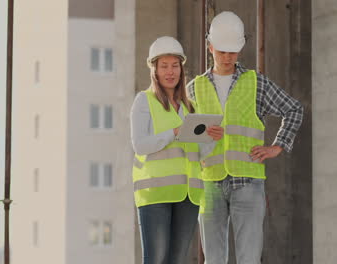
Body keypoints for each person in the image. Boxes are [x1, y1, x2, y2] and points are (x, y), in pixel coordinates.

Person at [187, 11, 304, 264]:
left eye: (233, 51)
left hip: (248, 181)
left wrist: (278, 146)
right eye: (222, 51)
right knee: (213, 260)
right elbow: (186, 138)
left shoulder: (256, 83)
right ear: (210, 47)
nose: (228, 57)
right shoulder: (194, 88)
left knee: (249, 259)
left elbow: (294, 108)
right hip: (209, 183)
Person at [130, 36, 222, 264]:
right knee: (156, 259)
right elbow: (140, 145)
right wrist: (174, 132)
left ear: (181, 70)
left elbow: (198, 153)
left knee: (177, 260)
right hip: (156, 193)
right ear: (155, 70)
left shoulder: (191, 107)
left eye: (174, 66)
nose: (170, 72)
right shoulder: (144, 101)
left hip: (188, 194)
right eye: (164, 66)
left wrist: (211, 140)